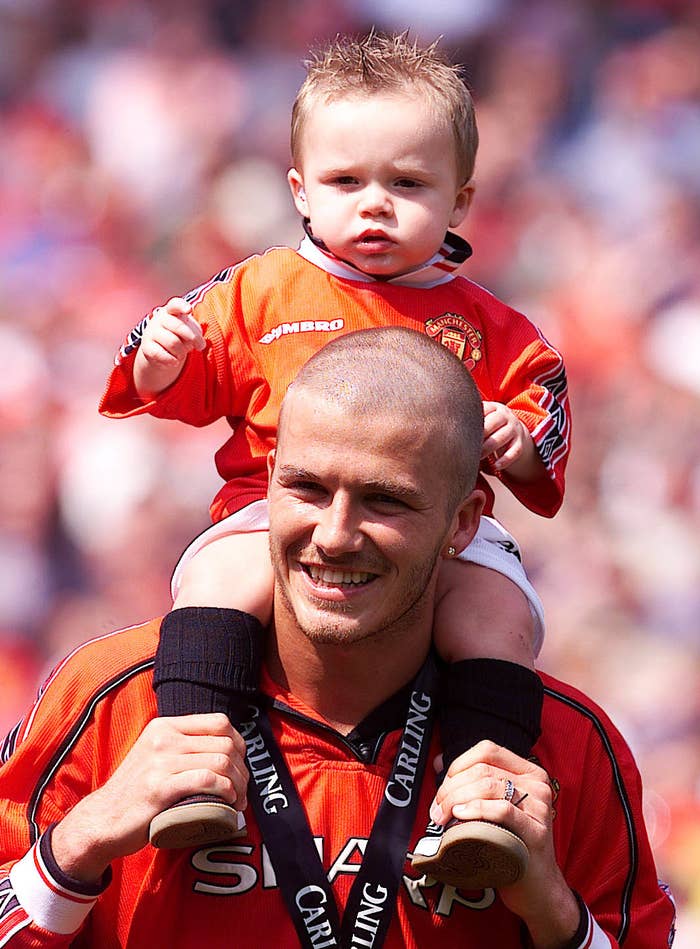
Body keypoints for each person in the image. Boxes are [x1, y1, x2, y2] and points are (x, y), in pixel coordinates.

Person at [0, 329, 674, 947]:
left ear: (463, 523)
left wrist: (552, 907)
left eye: (386, 500)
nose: (334, 534)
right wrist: (82, 839)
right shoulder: (112, 697)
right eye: (308, 489)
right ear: (266, 487)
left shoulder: (563, 745)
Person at [99, 31, 571, 887]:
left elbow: (545, 423)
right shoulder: (260, 287)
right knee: (217, 584)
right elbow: (170, 383)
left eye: (409, 184)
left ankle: (477, 805)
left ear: (460, 199)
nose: (376, 206)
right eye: (346, 182)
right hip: (270, 512)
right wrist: (158, 356)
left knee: (497, 621)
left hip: (442, 536)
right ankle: (194, 769)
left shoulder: (495, 326)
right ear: (300, 190)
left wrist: (519, 440)